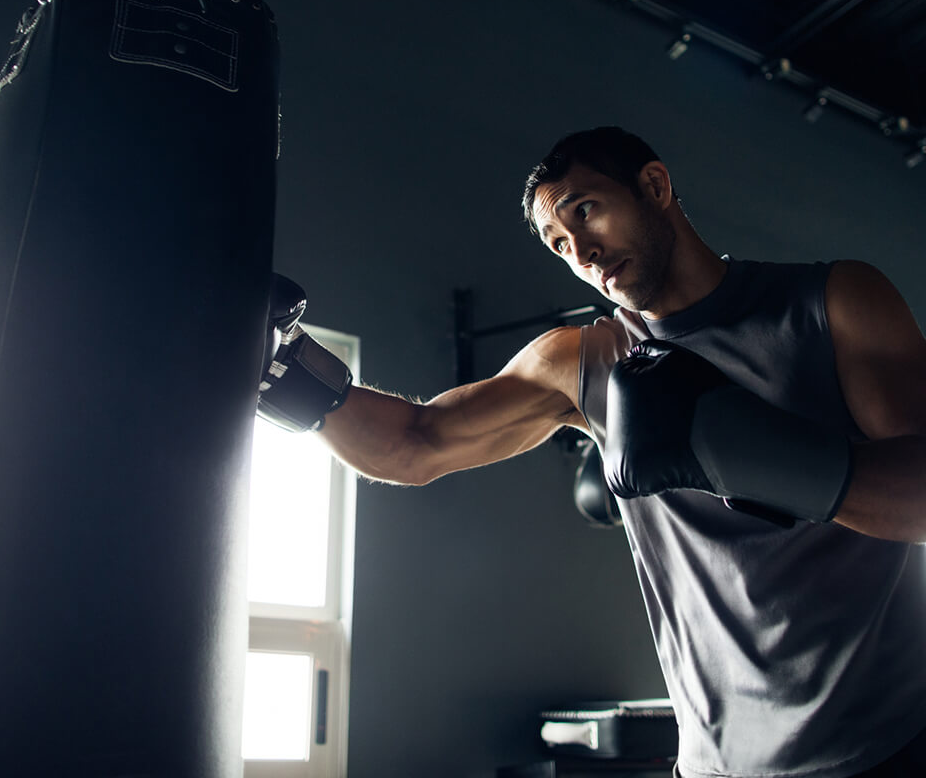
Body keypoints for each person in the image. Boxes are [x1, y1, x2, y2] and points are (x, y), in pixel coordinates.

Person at [259, 125, 926, 778]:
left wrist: (757, 456)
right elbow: (416, 443)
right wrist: (285, 372)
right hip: (713, 765)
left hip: (882, 745)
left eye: (586, 211)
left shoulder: (830, 302)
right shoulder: (587, 361)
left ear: (654, 186)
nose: (581, 249)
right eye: (557, 241)